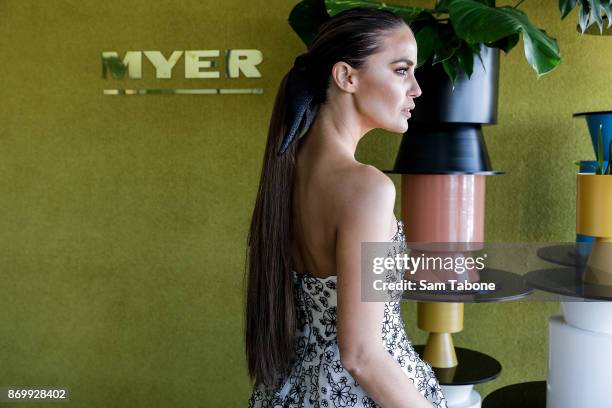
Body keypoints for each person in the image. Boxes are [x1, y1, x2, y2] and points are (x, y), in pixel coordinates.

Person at [244, 6, 447, 408]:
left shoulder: (287, 171)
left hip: (291, 390)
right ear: (346, 77)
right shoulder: (366, 189)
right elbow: (361, 355)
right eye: (402, 70)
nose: (417, 89)